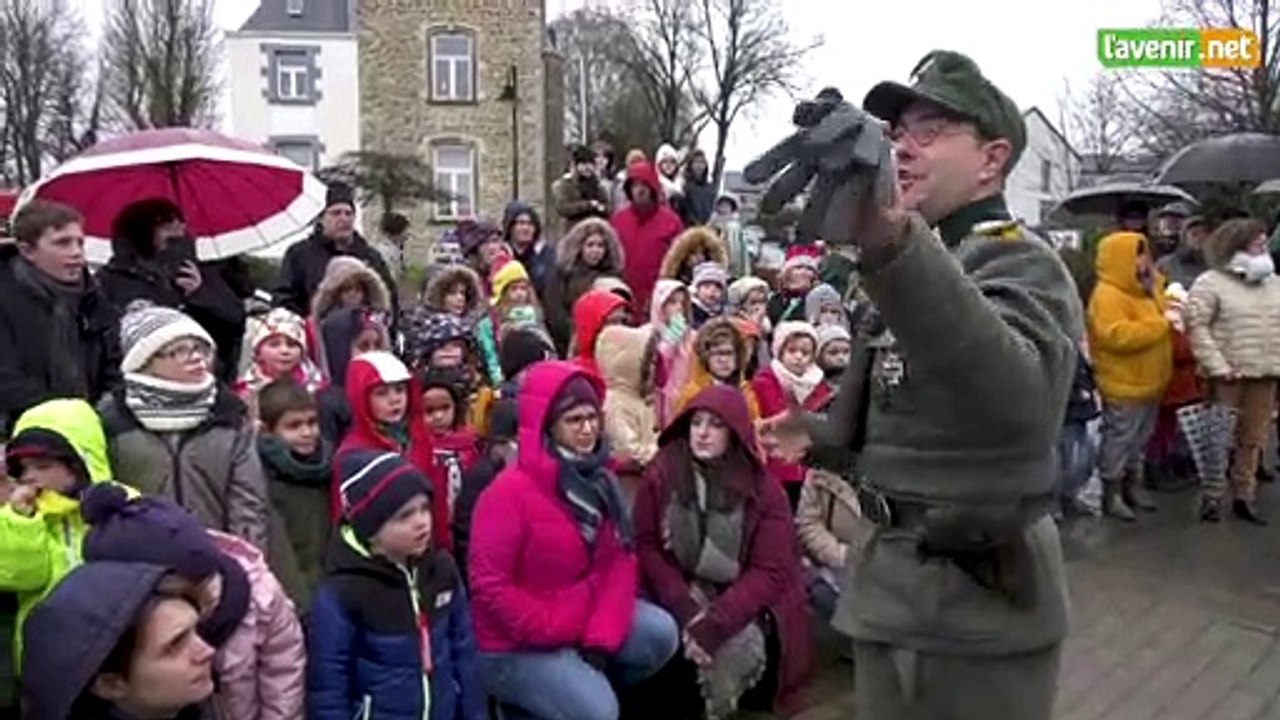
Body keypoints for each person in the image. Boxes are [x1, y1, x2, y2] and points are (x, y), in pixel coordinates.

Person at [759, 51, 1082, 718]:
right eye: (898, 131)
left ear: (992, 160)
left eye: (930, 130)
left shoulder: (1020, 261)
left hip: (978, 605)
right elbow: (909, 419)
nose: (901, 148)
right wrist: (818, 437)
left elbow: (1018, 402)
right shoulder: (905, 265)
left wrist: (892, 242)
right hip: (887, 592)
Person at [468, 361, 678, 720]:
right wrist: (560, 629)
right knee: (598, 711)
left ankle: (581, 685)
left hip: (582, 619)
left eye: (592, 417)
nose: (588, 430)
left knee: (660, 634)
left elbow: (619, 560)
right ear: (548, 425)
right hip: (514, 644)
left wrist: (600, 636)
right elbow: (490, 587)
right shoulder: (506, 494)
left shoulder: (600, 480)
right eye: (574, 420)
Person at [634, 385, 813, 718]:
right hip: (679, 585)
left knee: (730, 654)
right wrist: (685, 606)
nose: (702, 434)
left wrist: (716, 622)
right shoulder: (663, 473)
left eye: (715, 426)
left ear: (733, 433)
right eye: (696, 422)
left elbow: (769, 571)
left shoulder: (762, 489)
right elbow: (647, 544)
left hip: (746, 599)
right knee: (669, 669)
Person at [79, 483, 307, 720]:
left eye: (209, 577)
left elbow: (283, 673)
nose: (206, 651)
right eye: (187, 593)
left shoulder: (260, 594)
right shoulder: (117, 639)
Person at [309, 449, 485, 720]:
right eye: (405, 516)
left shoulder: (442, 570)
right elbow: (329, 686)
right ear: (371, 528)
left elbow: (464, 652)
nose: (422, 522)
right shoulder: (343, 592)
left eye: (424, 509)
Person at [99, 302, 269, 550]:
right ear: (144, 360)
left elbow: (248, 504)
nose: (195, 357)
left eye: (199, 348)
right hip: (140, 563)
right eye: (177, 350)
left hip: (215, 558)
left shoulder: (227, 413)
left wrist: (244, 562)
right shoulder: (114, 419)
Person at [0, 399, 116, 671]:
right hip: (45, 651)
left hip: (112, 644)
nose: (30, 477)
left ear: (79, 464)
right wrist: (21, 522)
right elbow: (21, 575)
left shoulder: (120, 506)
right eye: (23, 469)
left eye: (42, 466)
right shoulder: (22, 517)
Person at [21, 562, 217, 720]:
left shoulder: (188, 704)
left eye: (196, 631)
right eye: (175, 646)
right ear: (110, 684)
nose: (208, 651)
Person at [1185, 218, 1280, 524]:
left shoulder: (1273, 284)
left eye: (1265, 243)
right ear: (1236, 246)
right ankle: (1213, 496)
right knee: (1219, 438)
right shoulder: (1210, 283)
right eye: (1257, 244)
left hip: (1264, 372)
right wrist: (1217, 365)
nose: (1264, 248)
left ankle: (1244, 495)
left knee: (1253, 438)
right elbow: (1197, 326)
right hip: (1228, 374)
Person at [0, 201, 120, 433]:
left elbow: (114, 358)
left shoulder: (93, 296)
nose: (76, 252)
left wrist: (106, 409)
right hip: (23, 429)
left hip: (93, 423)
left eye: (80, 242)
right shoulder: (6, 296)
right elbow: (6, 377)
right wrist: (62, 417)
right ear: (28, 251)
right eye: (62, 243)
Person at [1088, 231, 1171, 520]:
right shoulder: (1108, 294)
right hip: (1124, 383)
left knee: (1140, 438)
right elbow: (1115, 336)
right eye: (1137, 254)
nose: (1144, 259)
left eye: (1145, 252)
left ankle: (1132, 488)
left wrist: (1158, 291)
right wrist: (1160, 325)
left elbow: (1162, 315)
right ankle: (1111, 495)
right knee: (1120, 438)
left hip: (1152, 380)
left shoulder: (1146, 288)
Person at [274, 182, 399, 329]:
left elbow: (388, 301)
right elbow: (284, 301)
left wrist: (375, 329)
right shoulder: (299, 255)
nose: (343, 219)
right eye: (336, 213)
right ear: (321, 218)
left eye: (348, 213)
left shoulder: (370, 256)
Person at [256, 378, 334, 609]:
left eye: (312, 423)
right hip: (289, 594)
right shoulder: (261, 476)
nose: (307, 432)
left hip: (329, 583)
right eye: (294, 426)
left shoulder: (329, 466)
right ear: (267, 431)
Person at [611, 160, 685, 316]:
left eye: (644, 185)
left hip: (661, 299)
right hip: (624, 298)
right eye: (635, 185)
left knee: (668, 338)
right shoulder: (618, 221)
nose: (640, 190)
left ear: (653, 187)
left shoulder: (671, 222)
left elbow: (681, 260)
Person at [544, 218, 627, 355]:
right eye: (590, 245)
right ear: (579, 247)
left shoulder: (614, 277)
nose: (595, 251)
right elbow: (555, 311)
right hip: (567, 343)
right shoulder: (564, 274)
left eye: (600, 246)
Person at [553, 144, 612, 238]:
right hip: (572, 233)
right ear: (576, 165)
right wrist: (588, 205)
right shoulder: (565, 185)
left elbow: (608, 208)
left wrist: (600, 208)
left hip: (594, 233)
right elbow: (563, 208)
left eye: (590, 164)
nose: (587, 168)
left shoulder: (598, 186)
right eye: (584, 164)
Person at [503, 201, 555, 298]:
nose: (526, 228)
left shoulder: (545, 253)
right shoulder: (502, 253)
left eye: (530, 224)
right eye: (521, 223)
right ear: (510, 227)